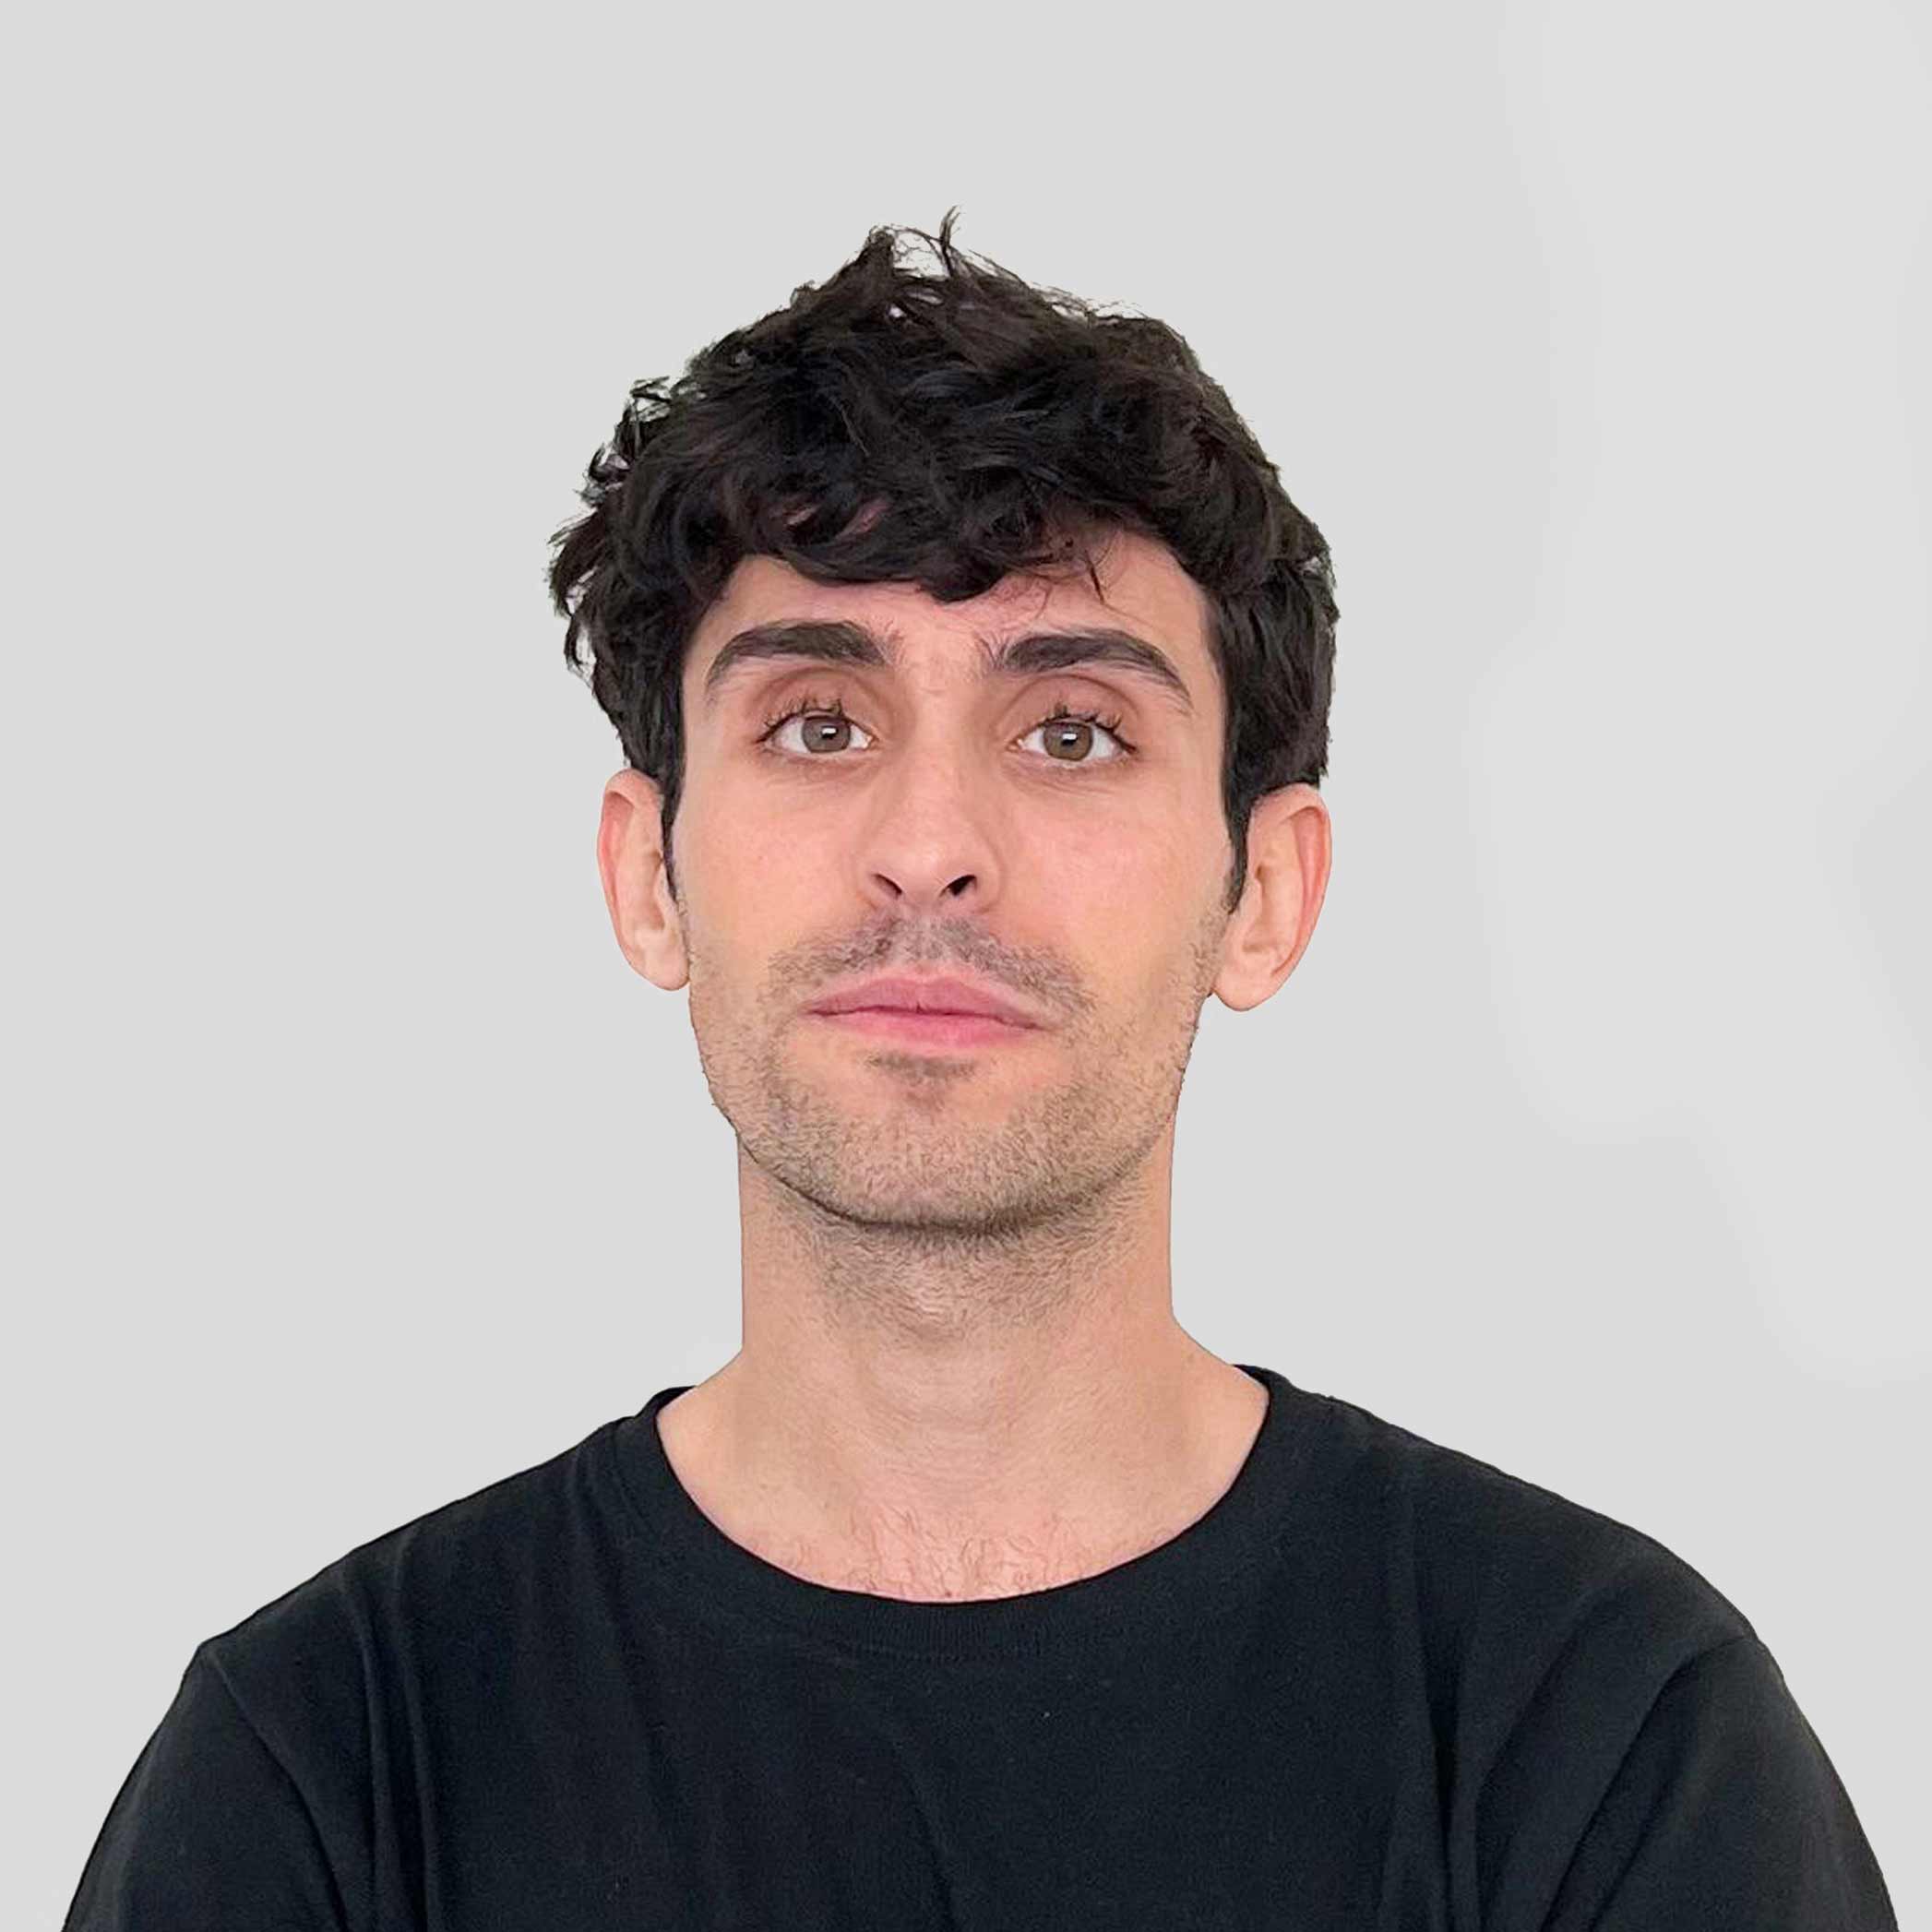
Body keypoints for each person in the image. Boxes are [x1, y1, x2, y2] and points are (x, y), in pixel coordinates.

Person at [63, 211, 1897, 1930]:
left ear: (1263, 895)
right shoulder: (326, 1771)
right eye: (818, 722)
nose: (930, 846)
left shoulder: (1605, 1739)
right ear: (649, 874)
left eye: (1072, 732)